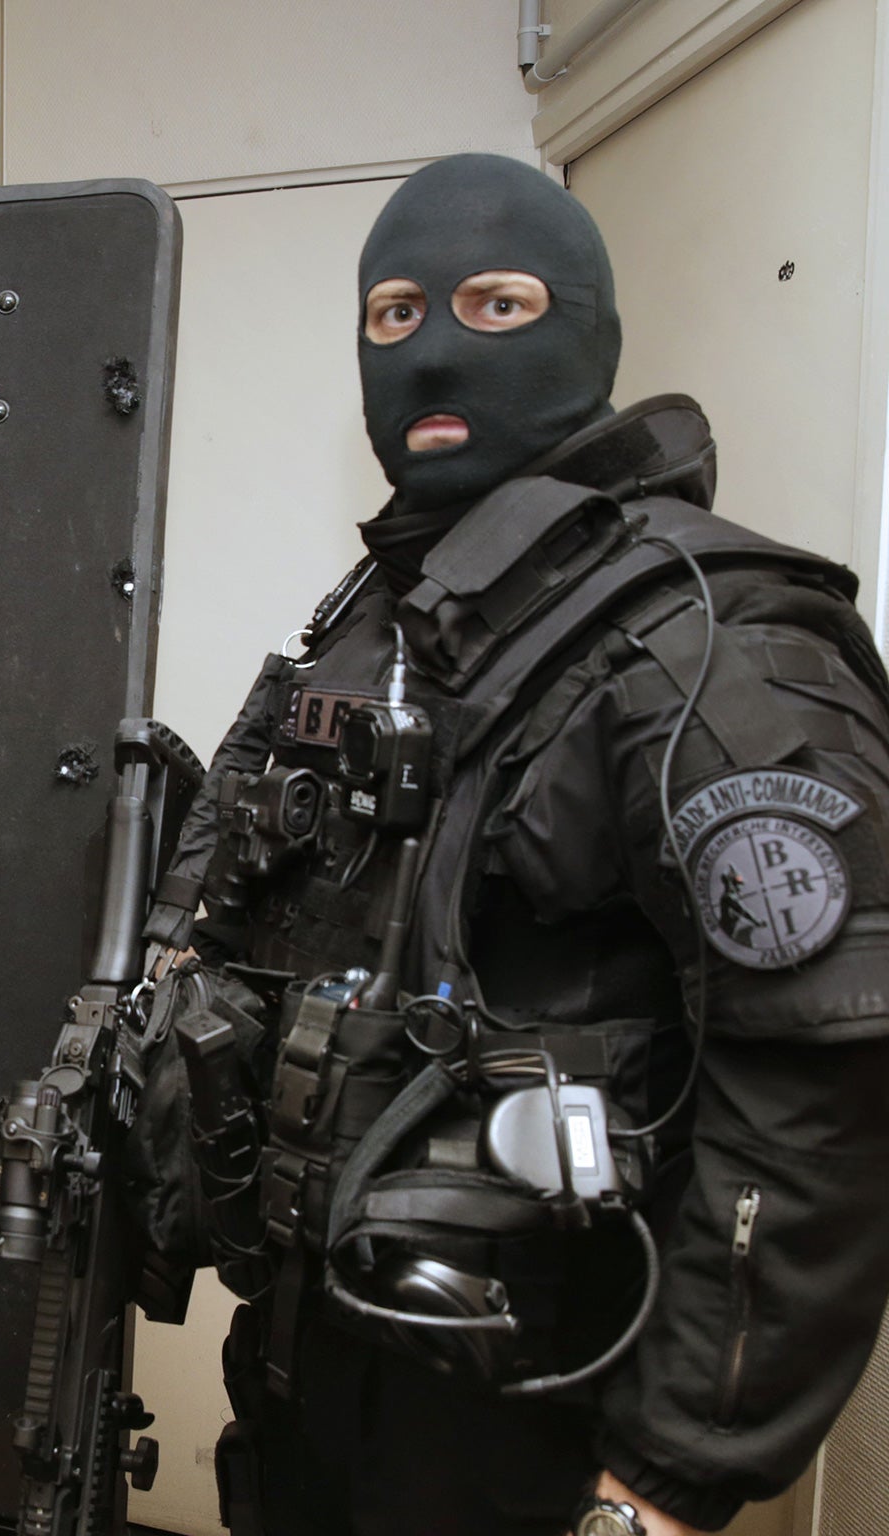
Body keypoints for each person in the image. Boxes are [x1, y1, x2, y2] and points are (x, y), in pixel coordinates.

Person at [147, 154, 889, 1536]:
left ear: (586, 328)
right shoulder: (392, 607)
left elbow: (819, 1107)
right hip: (332, 1363)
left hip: (543, 1424)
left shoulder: (710, 644)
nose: (429, 354)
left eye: (494, 304)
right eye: (391, 317)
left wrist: (660, 1487)